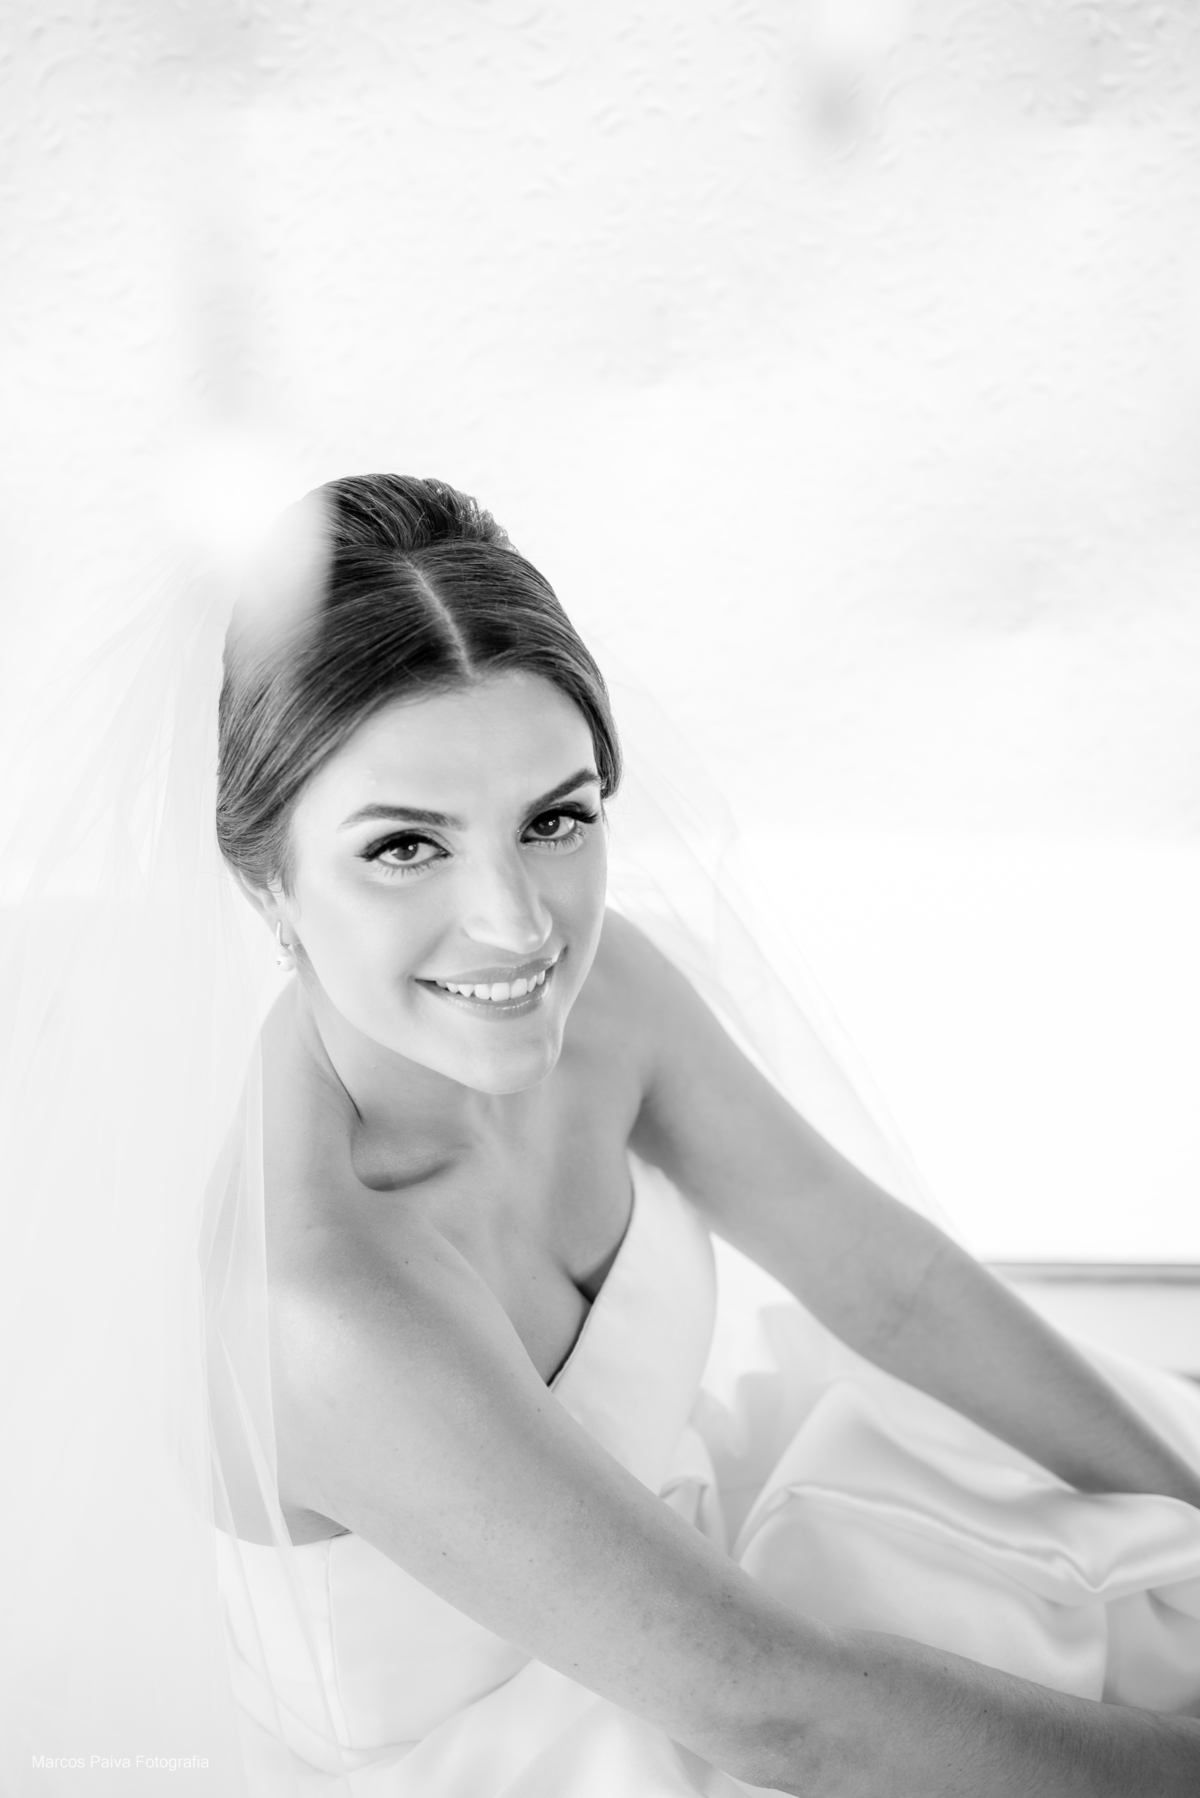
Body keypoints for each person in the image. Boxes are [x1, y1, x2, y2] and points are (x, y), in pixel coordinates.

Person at [3, 472, 1198, 1795]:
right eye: (405, 847)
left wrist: (1191, 1515)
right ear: (266, 880)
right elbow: (773, 1714)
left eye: (555, 820)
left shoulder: (605, 991)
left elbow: (892, 1284)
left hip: (722, 1621)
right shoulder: (319, 1304)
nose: (517, 924)